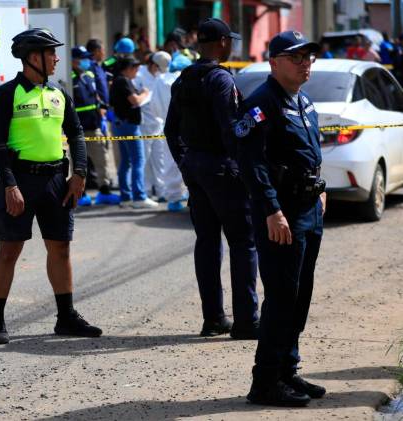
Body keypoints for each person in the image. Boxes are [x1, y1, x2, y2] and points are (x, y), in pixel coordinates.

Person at [0, 28, 103, 344]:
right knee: (9, 250)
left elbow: (76, 134)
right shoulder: (8, 94)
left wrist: (79, 173)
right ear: (33, 57)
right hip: (20, 181)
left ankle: (66, 318)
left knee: (60, 248)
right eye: (51, 52)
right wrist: (9, 185)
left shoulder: (59, 93)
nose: (56, 58)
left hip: (55, 181)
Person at [235, 30, 327, 408]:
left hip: (308, 209)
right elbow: (251, 163)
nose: (305, 64)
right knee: (282, 296)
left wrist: (321, 188)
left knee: (299, 295)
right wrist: (272, 210)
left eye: (308, 57)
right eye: (296, 57)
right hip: (281, 213)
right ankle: (266, 381)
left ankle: (288, 370)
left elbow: (311, 151)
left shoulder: (303, 101)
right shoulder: (261, 104)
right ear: (274, 63)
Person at [164, 18, 259, 339]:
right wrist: (245, 169)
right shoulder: (221, 79)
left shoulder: (184, 79)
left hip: (197, 168)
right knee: (243, 242)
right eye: (229, 40)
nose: (231, 45)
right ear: (221, 42)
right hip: (222, 168)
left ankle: (214, 318)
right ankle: (246, 321)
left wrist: (185, 163)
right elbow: (230, 130)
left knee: (207, 242)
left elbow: (170, 130)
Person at [135, 51, 187, 211]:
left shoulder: (160, 80)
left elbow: (154, 106)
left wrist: (163, 117)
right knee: (188, 162)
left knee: (169, 161)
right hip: (188, 127)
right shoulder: (188, 80)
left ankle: (173, 197)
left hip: (166, 126)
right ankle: (189, 195)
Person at [70, 45, 120, 206]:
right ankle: (80, 194)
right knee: (79, 164)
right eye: (83, 58)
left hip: (94, 126)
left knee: (102, 159)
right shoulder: (69, 79)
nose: (87, 61)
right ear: (74, 61)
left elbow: (95, 96)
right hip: (77, 130)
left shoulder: (89, 75)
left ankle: (104, 192)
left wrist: (103, 109)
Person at [110, 56, 157, 209]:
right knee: (138, 160)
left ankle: (126, 197)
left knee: (126, 161)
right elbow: (135, 101)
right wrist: (145, 93)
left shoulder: (119, 80)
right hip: (128, 125)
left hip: (120, 123)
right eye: (136, 69)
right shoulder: (123, 81)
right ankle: (139, 197)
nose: (137, 72)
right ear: (129, 68)